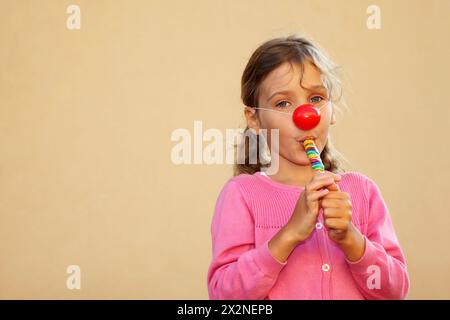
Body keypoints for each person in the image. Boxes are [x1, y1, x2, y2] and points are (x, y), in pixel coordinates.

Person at [206, 35, 409, 299]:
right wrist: (289, 234)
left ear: (331, 110)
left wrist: (351, 240)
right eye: (283, 103)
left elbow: (395, 292)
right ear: (254, 118)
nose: (305, 116)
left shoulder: (363, 191)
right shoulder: (241, 195)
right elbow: (225, 296)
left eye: (315, 98)